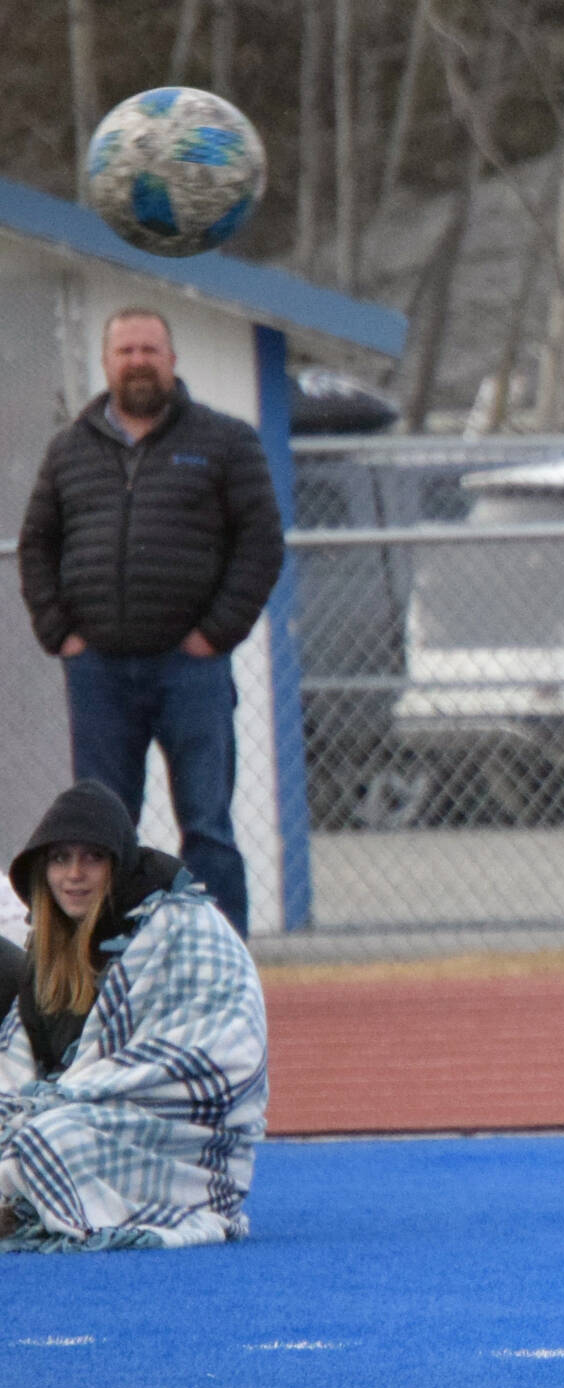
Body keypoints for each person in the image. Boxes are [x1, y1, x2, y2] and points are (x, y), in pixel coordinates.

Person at [17, 307, 285, 937]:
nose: (138, 361)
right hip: (99, 673)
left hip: (190, 669)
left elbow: (261, 544)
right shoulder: (69, 449)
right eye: (126, 351)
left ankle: (223, 960)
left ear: (171, 360)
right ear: (108, 363)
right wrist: (63, 634)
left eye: (149, 350)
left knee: (207, 824)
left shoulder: (225, 441)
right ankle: (104, 961)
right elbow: (37, 545)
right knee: (101, 829)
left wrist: (214, 634)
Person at [0, 779, 268, 1251]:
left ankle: (28, 1204)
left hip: (171, 1131)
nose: (74, 875)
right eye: (60, 859)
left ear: (118, 863)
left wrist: (65, 1098)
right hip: (78, 1107)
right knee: (32, 1129)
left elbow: (218, 1050)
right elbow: (29, 1060)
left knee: (52, 1138)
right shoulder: (49, 942)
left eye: (92, 858)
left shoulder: (180, 923)